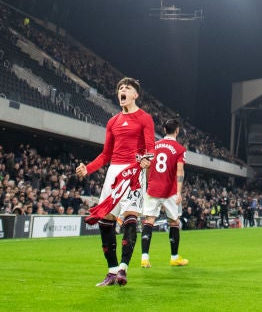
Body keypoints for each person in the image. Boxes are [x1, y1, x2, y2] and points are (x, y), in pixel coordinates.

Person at [75, 77, 155, 287]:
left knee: (130, 216)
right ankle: (111, 271)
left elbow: (150, 148)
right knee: (105, 221)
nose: (122, 90)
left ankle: (123, 268)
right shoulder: (113, 122)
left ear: (135, 95)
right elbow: (105, 155)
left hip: (134, 171)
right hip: (114, 173)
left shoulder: (145, 118)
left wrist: (147, 160)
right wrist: (88, 168)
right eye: (120, 88)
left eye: (127, 88)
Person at [139, 118, 188, 268]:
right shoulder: (180, 149)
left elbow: (147, 167)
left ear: (164, 130)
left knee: (149, 221)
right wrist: (179, 192)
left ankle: (144, 258)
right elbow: (180, 171)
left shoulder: (154, 145)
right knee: (174, 221)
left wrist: (149, 183)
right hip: (170, 190)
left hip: (153, 188)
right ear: (177, 131)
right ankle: (174, 258)